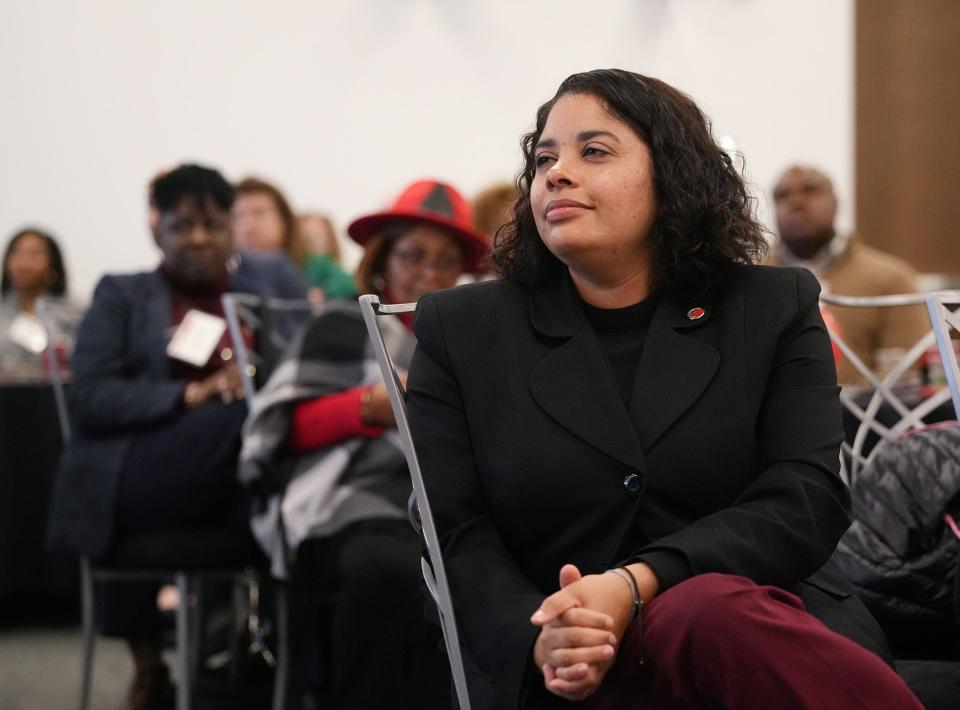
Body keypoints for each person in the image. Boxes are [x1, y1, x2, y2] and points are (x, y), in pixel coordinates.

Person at [405, 70, 923, 709]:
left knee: (707, 610)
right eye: (544, 159)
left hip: (762, 627)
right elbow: (453, 532)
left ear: (671, 174)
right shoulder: (463, 328)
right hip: (567, 653)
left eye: (593, 151)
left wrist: (635, 583)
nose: (557, 173)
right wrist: (541, 637)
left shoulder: (770, 305)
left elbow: (804, 498)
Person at [47, 164, 307, 710]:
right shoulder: (123, 294)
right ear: (156, 229)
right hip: (137, 468)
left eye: (212, 224)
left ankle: (267, 666)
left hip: (228, 480)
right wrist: (193, 395)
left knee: (269, 446)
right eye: (181, 224)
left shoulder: (255, 297)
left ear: (230, 230)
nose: (197, 238)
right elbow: (90, 397)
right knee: (252, 425)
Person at [240, 179, 489, 709]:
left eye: (446, 262)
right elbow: (284, 431)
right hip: (357, 500)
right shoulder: (340, 323)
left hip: (447, 505)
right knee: (390, 572)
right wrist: (372, 406)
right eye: (413, 255)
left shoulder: (471, 342)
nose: (429, 272)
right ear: (381, 260)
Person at [767, 165, 929, 384]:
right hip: (770, 417)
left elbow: (907, 369)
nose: (796, 203)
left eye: (810, 190)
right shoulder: (750, 279)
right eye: (782, 195)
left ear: (835, 203)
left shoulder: (890, 278)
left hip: (864, 415)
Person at [232, 177, 355, 302]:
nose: (247, 226)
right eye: (238, 216)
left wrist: (324, 293)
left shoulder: (313, 264)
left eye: (259, 213)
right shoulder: (231, 278)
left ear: (284, 219)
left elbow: (349, 284)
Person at [1, 228, 81, 379]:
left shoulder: (74, 312)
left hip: (56, 395)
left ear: (52, 263)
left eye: (34, 255)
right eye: (16, 253)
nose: (23, 264)